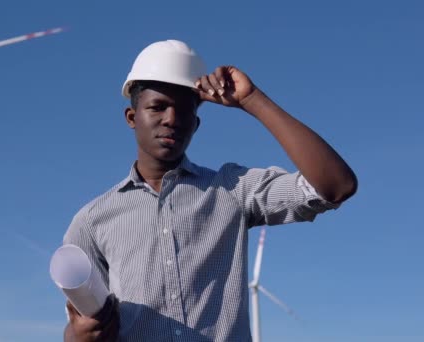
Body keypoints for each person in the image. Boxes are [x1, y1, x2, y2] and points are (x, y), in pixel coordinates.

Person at [62, 39, 357, 341]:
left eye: (183, 111)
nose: (171, 119)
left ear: (197, 124)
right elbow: (80, 326)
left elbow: (336, 186)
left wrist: (253, 100)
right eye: (157, 107)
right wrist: (79, 335)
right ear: (131, 117)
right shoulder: (91, 222)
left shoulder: (232, 189)